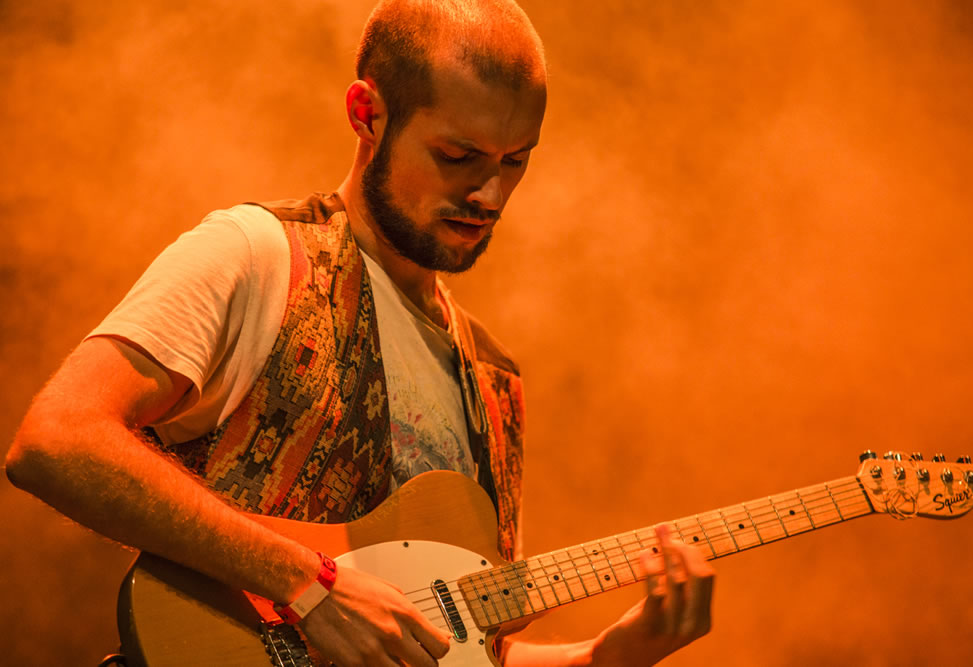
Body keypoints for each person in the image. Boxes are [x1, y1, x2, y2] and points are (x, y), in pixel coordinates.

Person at [5, 0, 714, 664]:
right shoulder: (255, 255)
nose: (490, 195)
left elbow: (455, 648)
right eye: (458, 156)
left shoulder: (494, 381)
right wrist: (305, 580)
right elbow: (57, 441)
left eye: (515, 161)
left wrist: (607, 656)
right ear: (366, 114)